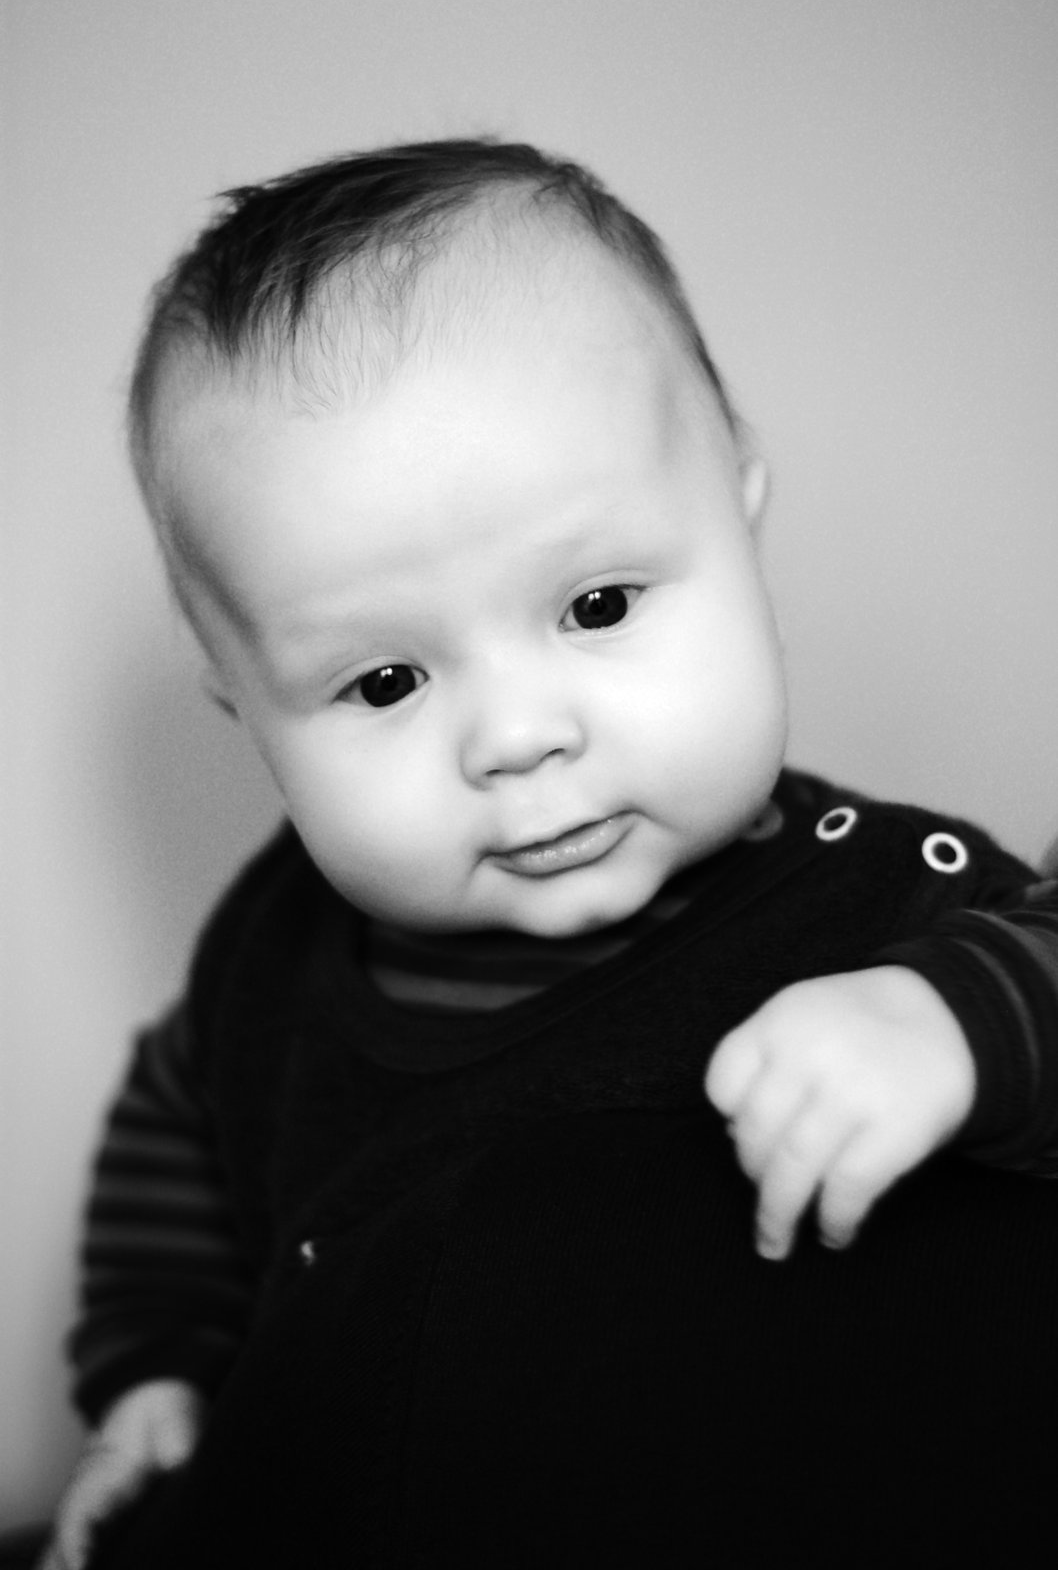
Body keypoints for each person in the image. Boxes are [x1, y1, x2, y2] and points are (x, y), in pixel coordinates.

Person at [42, 140, 1058, 1569]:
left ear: (738, 500)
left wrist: (953, 1027)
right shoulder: (271, 957)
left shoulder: (891, 914)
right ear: (241, 700)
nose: (518, 738)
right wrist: (158, 1371)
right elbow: (185, 1128)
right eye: (384, 682)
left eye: (595, 605)